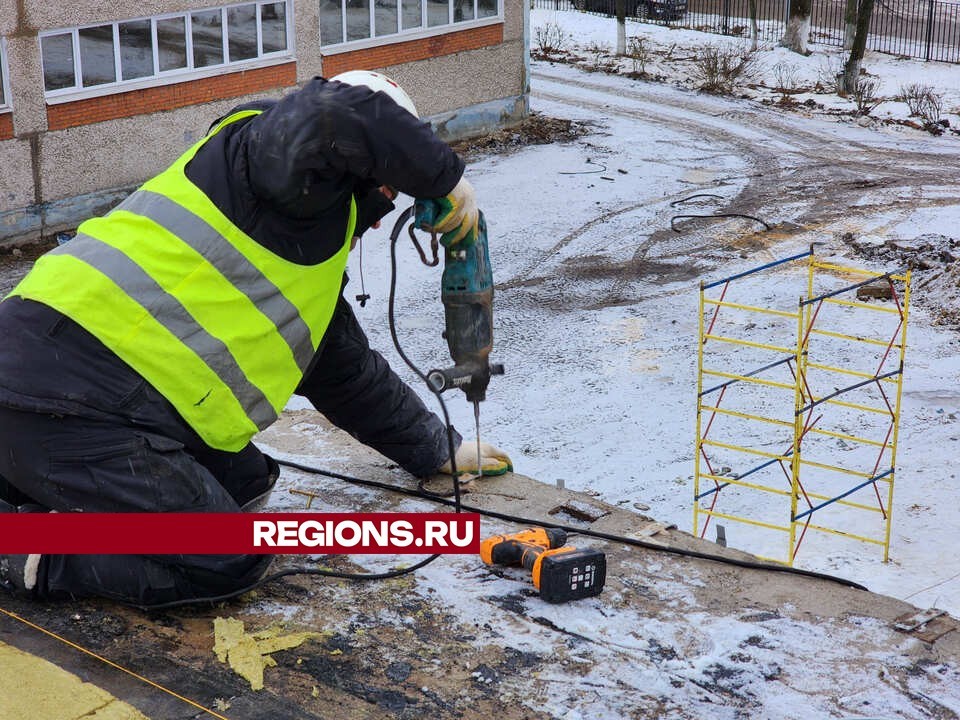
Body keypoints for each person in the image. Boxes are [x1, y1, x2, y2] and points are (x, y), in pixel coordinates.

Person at [0, 70, 512, 605]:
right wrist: (447, 181)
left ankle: (22, 483)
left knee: (247, 482)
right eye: (387, 188)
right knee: (226, 559)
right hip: (53, 389)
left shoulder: (300, 243)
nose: (383, 215)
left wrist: (439, 450)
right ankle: (23, 545)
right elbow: (332, 114)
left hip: (89, 395)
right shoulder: (264, 159)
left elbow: (346, 374)